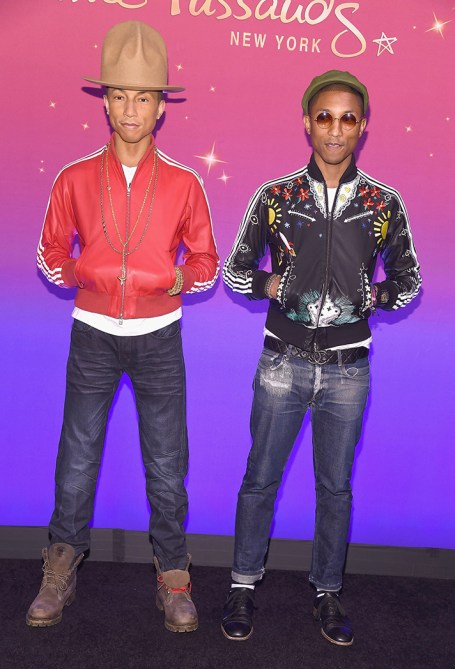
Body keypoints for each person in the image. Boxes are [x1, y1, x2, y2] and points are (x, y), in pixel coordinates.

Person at [28, 21, 219, 633]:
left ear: (161, 107)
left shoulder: (185, 182)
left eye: (143, 97)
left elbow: (208, 263)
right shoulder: (74, 177)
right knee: (76, 458)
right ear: (105, 103)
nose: (131, 109)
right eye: (119, 96)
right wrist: (82, 271)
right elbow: (48, 253)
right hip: (92, 332)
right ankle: (60, 565)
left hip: (159, 337)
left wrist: (174, 278)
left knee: (167, 463)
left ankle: (174, 577)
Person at [221, 70, 421, 645]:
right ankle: (242, 585)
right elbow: (235, 270)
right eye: (325, 117)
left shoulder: (384, 203)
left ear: (363, 126)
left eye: (348, 118)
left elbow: (409, 279)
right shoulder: (276, 196)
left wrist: (374, 296)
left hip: (348, 369)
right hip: (281, 363)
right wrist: (271, 285)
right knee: (260, 479)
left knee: (335, 487)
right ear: (307, 123)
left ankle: (328, 592)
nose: (336, 129)